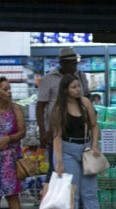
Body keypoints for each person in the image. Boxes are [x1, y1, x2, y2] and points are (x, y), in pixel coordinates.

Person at [50, 74, 113, 209]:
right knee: (73, 193)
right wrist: (59, 161)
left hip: (85, 149)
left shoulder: (85, 103)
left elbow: (94, 125)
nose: (78, 89)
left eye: (78, 86)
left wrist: (95, 145)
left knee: (90, 192)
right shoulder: (59, 109)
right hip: (67, 149)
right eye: (74, 87)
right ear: (65, 90)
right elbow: (56, 136)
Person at [36, 47, 90, 175]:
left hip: (79, 131)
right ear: (61, 63)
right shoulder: (48, 79)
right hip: (56, 130)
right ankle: (55, 193)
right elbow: (40, 107)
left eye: (75, 63)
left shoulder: (81, 77)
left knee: (82, 169)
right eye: (70, 63)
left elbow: (87, 98)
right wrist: (43, 130)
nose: (73, 66)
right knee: (56, 168)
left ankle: (74, 192)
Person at [0, 76, 26, 209]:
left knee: (12, 197)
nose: (9, 92)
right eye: (5, 89)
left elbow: (22, 132)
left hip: (10, 160)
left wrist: (8, 139)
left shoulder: (15, 109)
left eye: (9, 89)